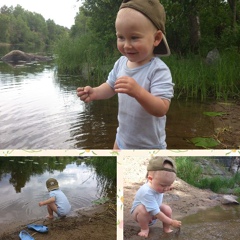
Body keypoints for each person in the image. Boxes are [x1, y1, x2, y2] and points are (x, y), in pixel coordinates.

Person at [77, 0, 174, 149]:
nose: (127, 45)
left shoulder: (158, 70)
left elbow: (161, 108)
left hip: (149, 146)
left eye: (134, 38)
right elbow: (110, 86)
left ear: (156, 38)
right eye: (121, 37)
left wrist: (138, 92)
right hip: (121, 139)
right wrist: (95, 92)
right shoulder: (121, 63)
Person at [131, 157, 181, 237]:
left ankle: (166, 228)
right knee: (142, 209)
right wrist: (171, 222)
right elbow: (156, 213)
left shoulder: (155, 183)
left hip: (153, 211)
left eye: (169, 184)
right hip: (141, 215)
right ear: (150, 179)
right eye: (163, 185)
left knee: (167, 209)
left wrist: (168, 187)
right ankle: (144, 229)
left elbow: (164, 185)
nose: (166, 188)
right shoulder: (146, 192)